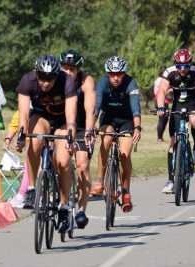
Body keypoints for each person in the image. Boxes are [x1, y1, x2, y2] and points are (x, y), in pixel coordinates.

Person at [16, 55, 77, 233]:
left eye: (50, 79)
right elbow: (24, 115)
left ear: (57, 76)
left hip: (62, 120)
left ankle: (64, 207)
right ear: (36, 74)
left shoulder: (67, 81)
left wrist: (71, 133)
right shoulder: (28, 81)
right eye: (42, 78)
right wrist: (21, 135)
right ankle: (34, 188)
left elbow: (71, 114)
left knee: (63, 162)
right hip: (41, 116)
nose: (45, 83)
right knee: (35, 140)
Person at [157, 48, 195, 193]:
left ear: (190, 63)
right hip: (177, 105)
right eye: (180, 66)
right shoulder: (169, 72)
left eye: (186, 66)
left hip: (194, 103)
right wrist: (161, 107)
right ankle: (170, 179)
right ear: (175, 64)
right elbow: (161, 91)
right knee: (173, 143)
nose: (183, 70)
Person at [93, 56, 141, 213]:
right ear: (107, 74)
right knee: (105, 141)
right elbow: (97, 106)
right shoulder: (102, 83)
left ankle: (126, 191)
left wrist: (138, 127)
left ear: (123, 73)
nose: (115, 77)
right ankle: (100, 181)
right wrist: (91, 126)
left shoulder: (130, 83)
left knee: (124, 154)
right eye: (112, 74)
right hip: (108, 119)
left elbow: (135, 108)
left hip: (126, 121)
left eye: (119, 74)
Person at [59, 49, 96, 229]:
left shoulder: (86, 81)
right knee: (59, 162)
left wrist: (89, 130)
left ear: (79, 69)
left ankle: (81, 209)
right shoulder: (55, 80)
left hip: (81, 127)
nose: (68, 72)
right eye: (65, 68)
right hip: (62, 126)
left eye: (72, 69)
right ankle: (60, 202)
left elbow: (90, 110)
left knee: (82, 165)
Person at [2, 110, 30, 208]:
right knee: (29, 163)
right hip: (31, 143)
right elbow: (14, 125)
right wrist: (8, 139)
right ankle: (23, 194)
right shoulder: (22, 110)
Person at [153, 70, 173, 143]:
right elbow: (162, 91)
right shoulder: (162, 80)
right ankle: (159, 138)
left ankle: (160, 137)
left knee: (165, 118)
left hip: (160, 100)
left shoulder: (157, 80)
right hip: (161, 101)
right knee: (162, 119)